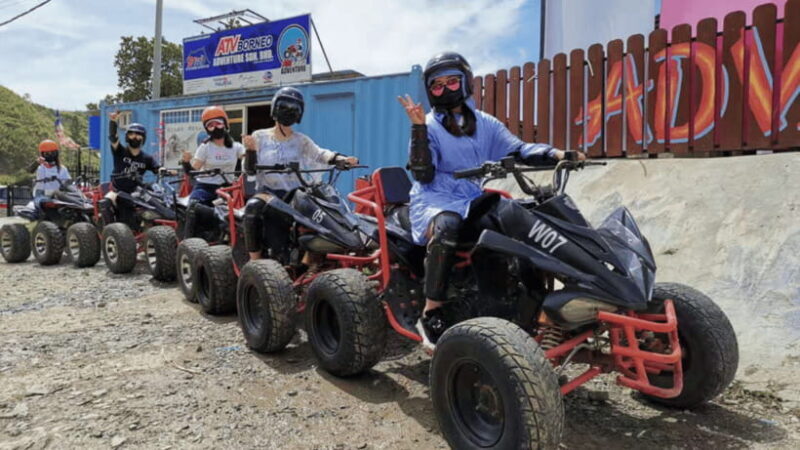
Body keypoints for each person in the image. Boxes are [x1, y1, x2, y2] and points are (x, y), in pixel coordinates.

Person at [397, 51, 586, 346]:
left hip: (472, 196)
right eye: (437, 85)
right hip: (436, 198)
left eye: (451, 81)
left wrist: (555, 154)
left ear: (465, 82)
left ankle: (546, 301)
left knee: (522, 218)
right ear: (430, 92)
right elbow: (422, 174)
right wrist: (418, 128)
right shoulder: (429, 125)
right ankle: (431, 309)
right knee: (447, 226)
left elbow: (519, 149)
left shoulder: (485, 123)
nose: (445, 89)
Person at [242, 86, 358, 262]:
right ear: (275, 108)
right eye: (285, 106)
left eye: (294, 108)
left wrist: (340, 159)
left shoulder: (301, 140)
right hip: (268, 193)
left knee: (326, 212)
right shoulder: (259, 136)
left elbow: (319, 154)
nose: (289, 111)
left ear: (300, 113)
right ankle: (255, 261)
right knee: (252, 208)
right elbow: (248, 169)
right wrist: (250, 151)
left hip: (296, 195)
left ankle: (314, 258)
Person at [180, 106, 246, 238]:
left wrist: (251, 149)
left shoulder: (236, 146)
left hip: (226, 188)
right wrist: (186, 162)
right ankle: (186, 244)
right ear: (206, 129)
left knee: (237, 214)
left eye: (218, 123)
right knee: (192, 207)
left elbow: (248, 162)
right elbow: (193, 171)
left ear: (225, 124)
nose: (215, 128)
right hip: (205, 187)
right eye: (210, 125)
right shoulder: (205, 147)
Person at [100, 113, 166, 228]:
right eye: (131, 134)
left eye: (138, 134)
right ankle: (109, 231)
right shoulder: (120, 151)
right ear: (127, 137)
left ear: (143, 138)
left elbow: (157, 168)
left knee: (158, 204)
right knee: (105, 203)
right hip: (117, 190)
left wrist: (163, 170)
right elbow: (113, 138)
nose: (135, 136)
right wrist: (113, 121)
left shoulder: (147, 158)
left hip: (137, 192)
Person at [27, 140, 71, 217]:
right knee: (46, 206)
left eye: (52, 153)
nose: (50, 155)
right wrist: (36, 162)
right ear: (42, 155)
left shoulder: (62, 168)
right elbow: (29, 170)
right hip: (42, 195)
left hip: (58, 196)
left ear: (56, 153)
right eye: (46, 153)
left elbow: (68, 183)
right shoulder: (40, 167)